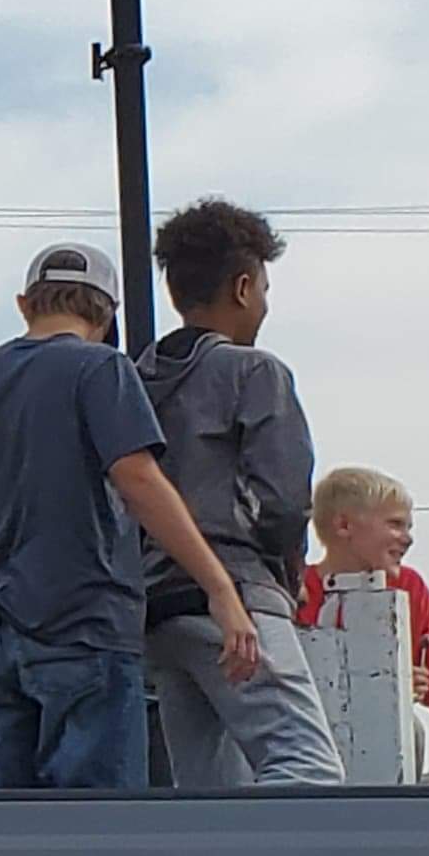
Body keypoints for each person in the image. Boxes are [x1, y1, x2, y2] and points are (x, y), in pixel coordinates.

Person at [0, 242, 263, 791]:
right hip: (82, 616)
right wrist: (220, 588)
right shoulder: (102, 367)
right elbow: (140, 480)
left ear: (23, 303)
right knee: (93, 816)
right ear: (105, 314)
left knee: (6, 809)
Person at [138, 200, 342, 789]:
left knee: (209, 791)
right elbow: (281, 503)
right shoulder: (255, 373)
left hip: (157, 608)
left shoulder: (133, 379)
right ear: (244, 286)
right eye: (265, 289)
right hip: (234, 600)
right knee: (308, 771)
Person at [304, 465, 429, 778]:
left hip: (377, 738)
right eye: (395, 525)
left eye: (408, 527)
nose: (407, 539)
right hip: (307, 734)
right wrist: (389, 684)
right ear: (343, 524)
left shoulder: (409, 589)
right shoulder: (294, 592)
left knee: (411, 729)